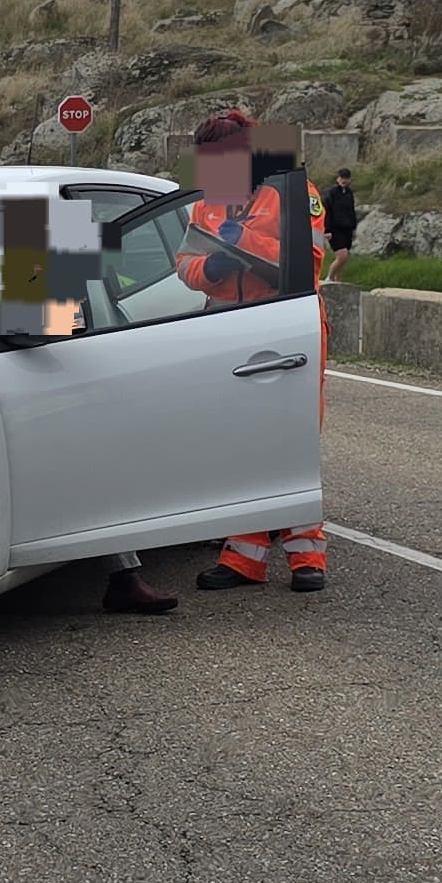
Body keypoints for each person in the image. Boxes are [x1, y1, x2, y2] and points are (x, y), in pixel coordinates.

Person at [179, 108, 333, 593]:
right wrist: (213, 269)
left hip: (287, 324)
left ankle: (308, 555)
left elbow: (306, 263)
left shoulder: (292, 192)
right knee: (238, 442)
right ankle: (245, 557)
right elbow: (184, 265)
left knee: (291, 438)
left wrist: (241, 239)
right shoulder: (208, 200)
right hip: (229, 327)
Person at [320, 166, 359, 280]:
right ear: (337, 179)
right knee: (342, 256)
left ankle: (338, 282)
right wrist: (326, 230)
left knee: (344, 259)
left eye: (346, 178)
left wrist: (354, 228)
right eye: (342, 177)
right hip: (334, 229)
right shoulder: (331, 193)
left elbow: (351, 211)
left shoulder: (349, 193)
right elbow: (326, 211)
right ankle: (329, 278)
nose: (344, 180)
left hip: (347, 230)